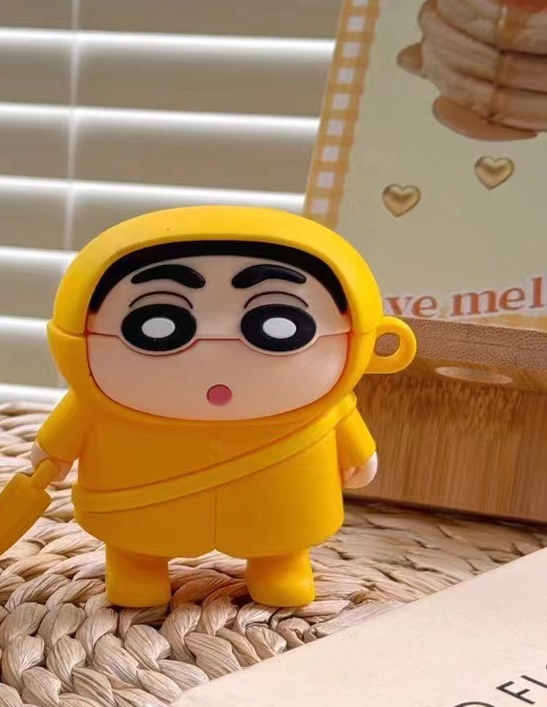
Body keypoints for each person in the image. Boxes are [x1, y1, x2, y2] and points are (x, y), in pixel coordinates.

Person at [28, 206, 415, 608]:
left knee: (280, 536)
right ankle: (135, 568)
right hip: (142, 508)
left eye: (276, 324)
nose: (216, 344)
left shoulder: (328, 406)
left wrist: (359, 453)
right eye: (158, 323)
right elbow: (71, 424)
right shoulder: (97, 402)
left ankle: (279, 566)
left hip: (278, 501)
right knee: (136, 542)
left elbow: (344, 422)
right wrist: (52, 453)